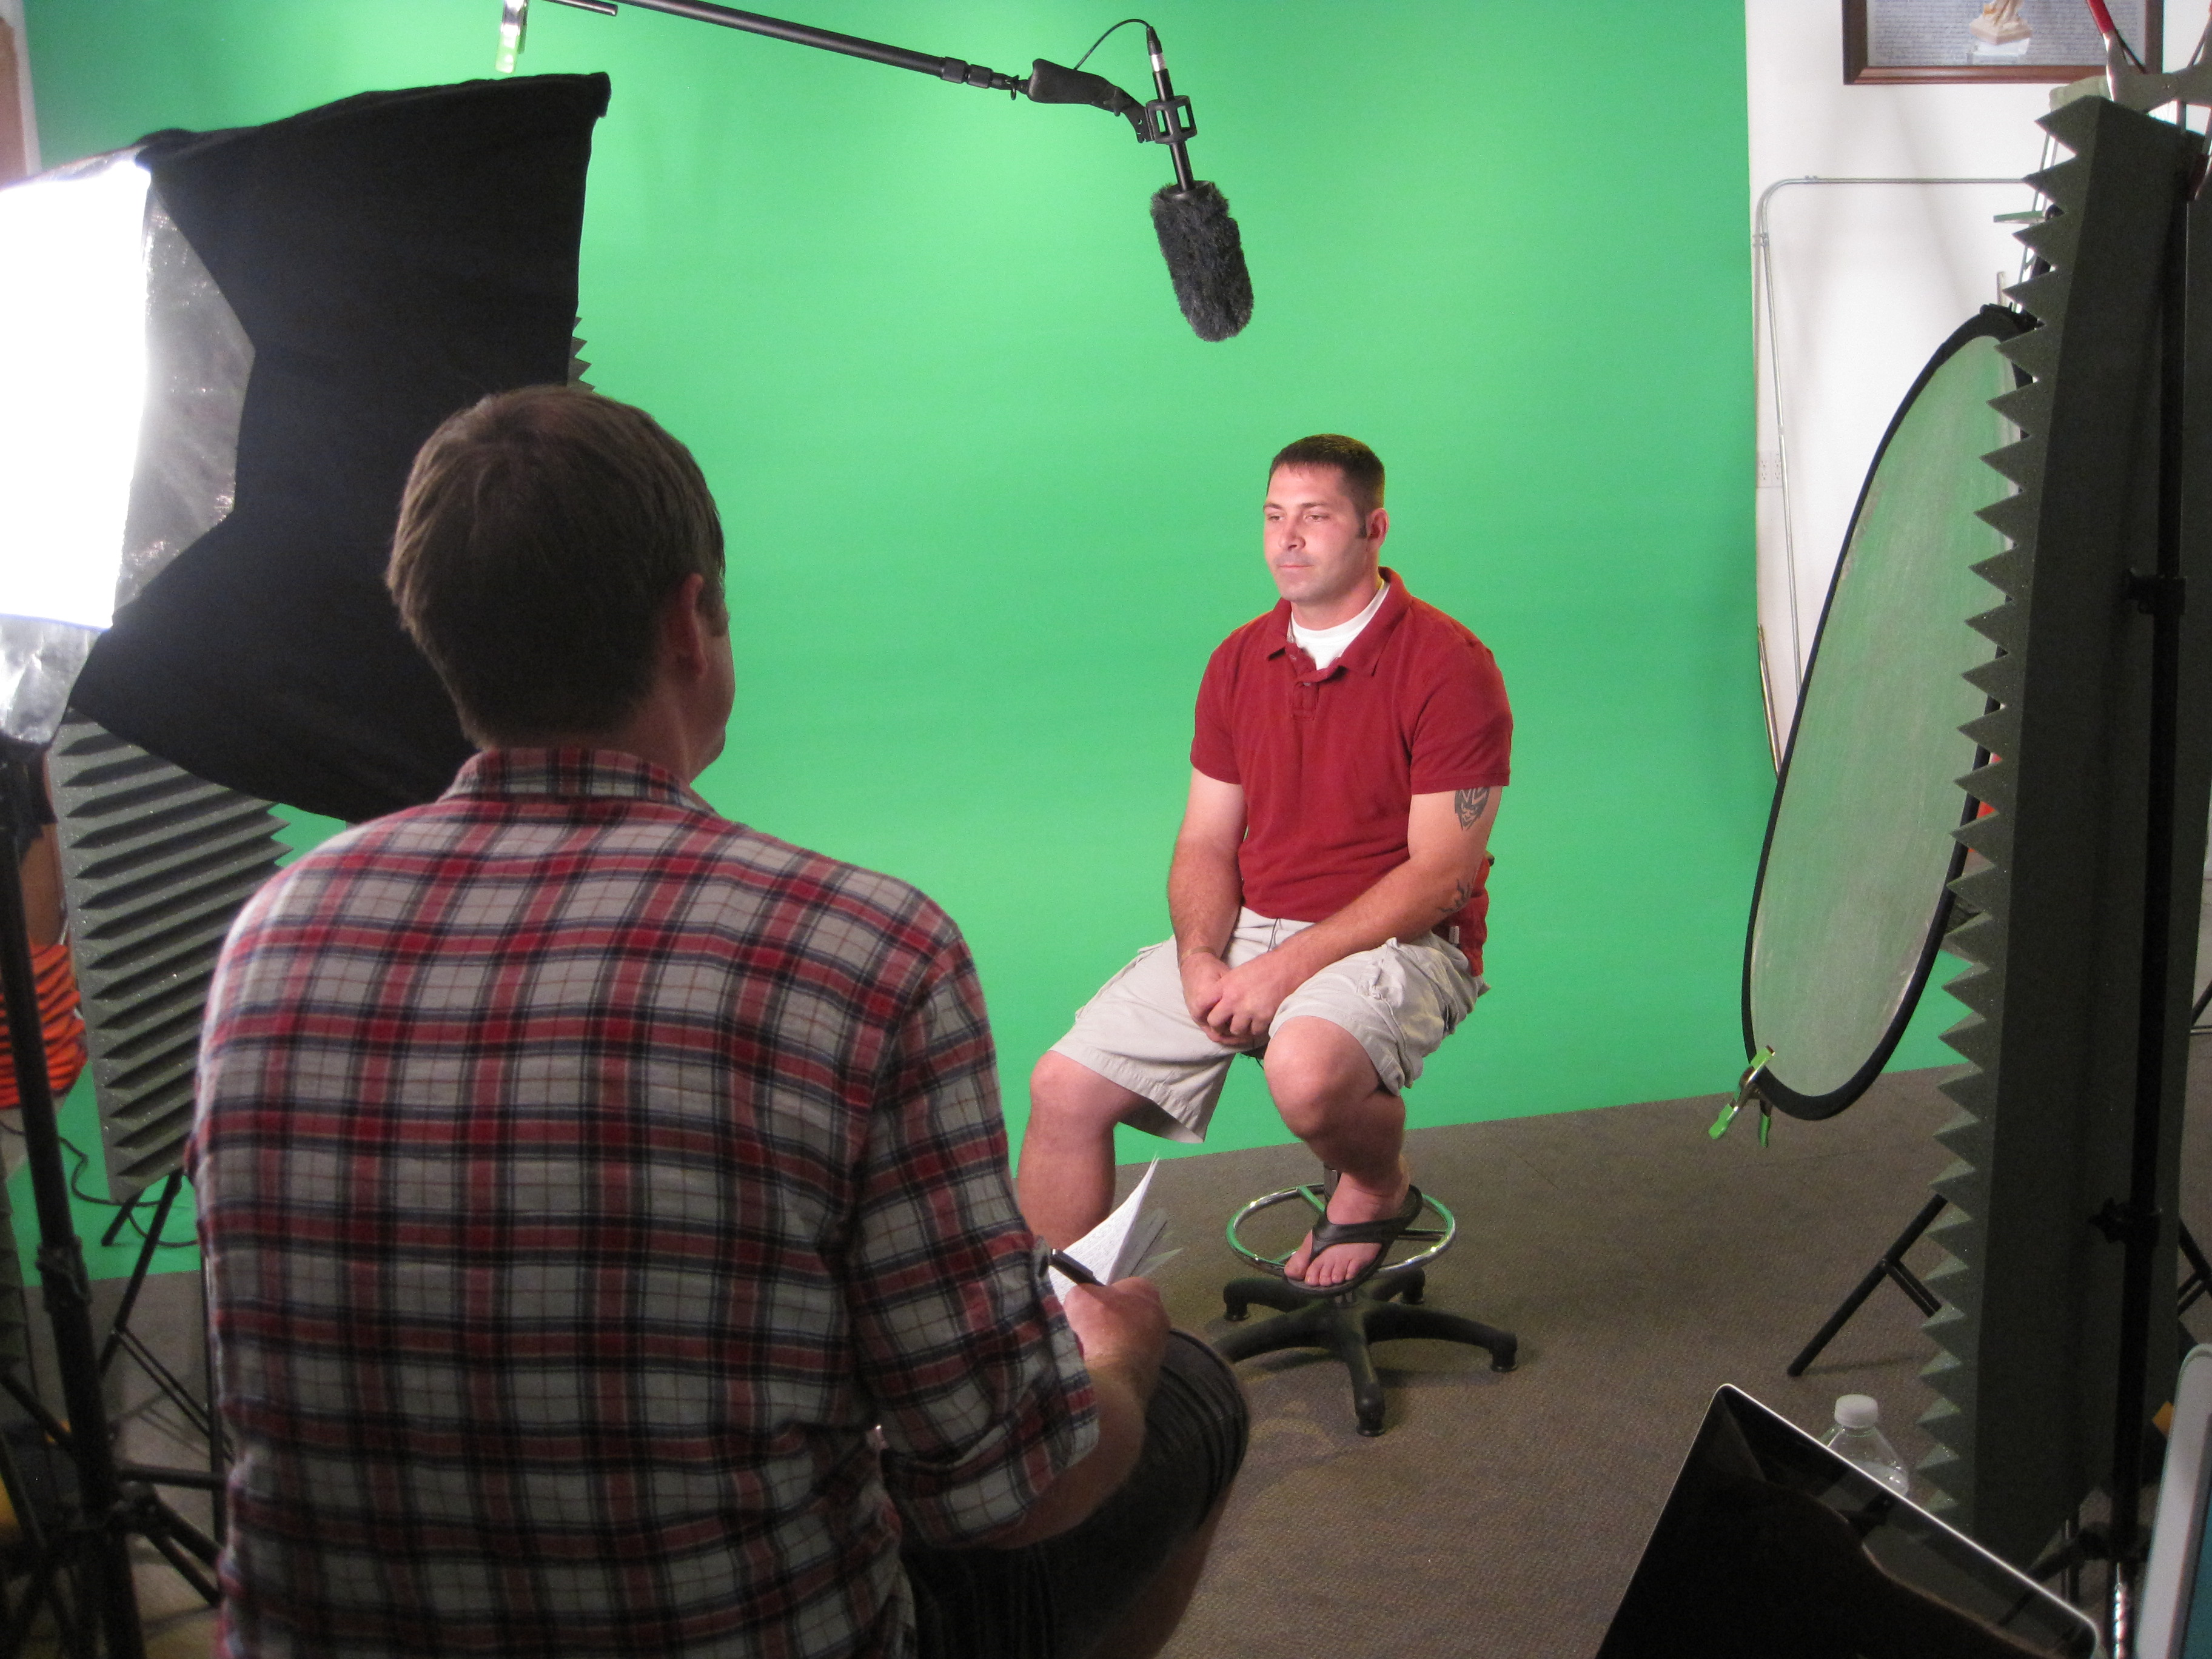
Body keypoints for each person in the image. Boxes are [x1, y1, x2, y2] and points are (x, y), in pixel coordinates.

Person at [189, 385, 1245, 1659]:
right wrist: (1118, 1356)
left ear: (434, 631)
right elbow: (1007, 1489)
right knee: (1185, 1399)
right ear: (689, 622)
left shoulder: (270, 934)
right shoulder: (868, 951)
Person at [1019, 435, 1511, 1291]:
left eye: (1315, 517)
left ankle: (1376, 1183)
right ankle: (1056, 1330)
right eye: (1274, 516)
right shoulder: (1239, 659)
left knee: (1304, 1072)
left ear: (1374, 529)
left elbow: (1443, 878)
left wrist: (1279, 974)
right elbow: (1206, 842)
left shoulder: (1450, 665)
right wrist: (1201, 959)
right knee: (1062, 1085)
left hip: (1402, 939)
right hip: (1251, 928)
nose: (1288, 538)